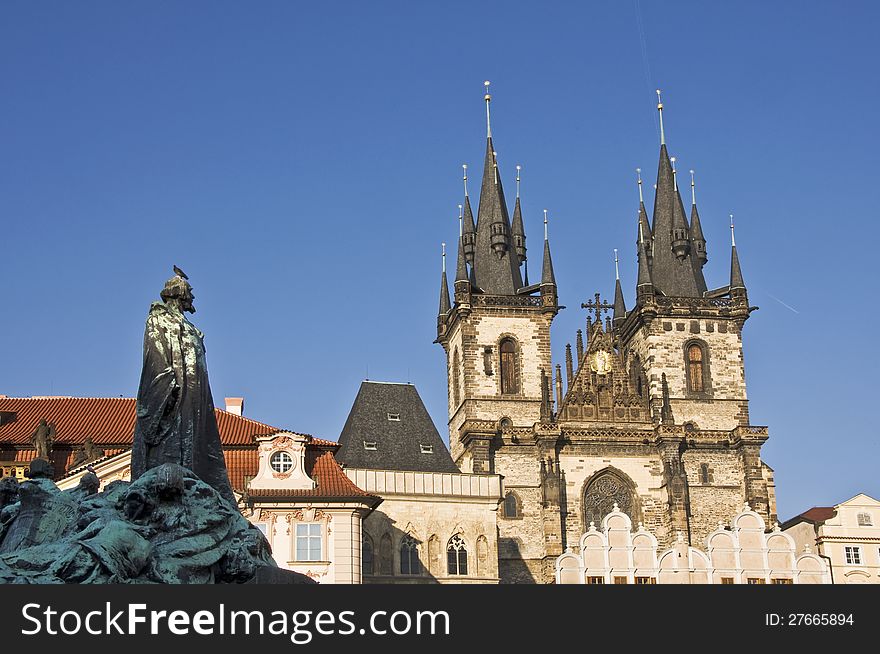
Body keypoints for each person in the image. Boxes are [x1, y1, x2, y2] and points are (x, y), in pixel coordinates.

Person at [130, 270, 236, 505]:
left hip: (197, 395)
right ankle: (169, 487)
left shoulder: (190, 327)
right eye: (190, 293)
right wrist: (166, 390)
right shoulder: (158, 320)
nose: (193, 299)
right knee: (171, 442)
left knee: (198, 444)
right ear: (178, 294)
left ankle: (197, 486)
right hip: (175, 393)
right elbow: (155, 361)